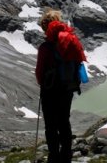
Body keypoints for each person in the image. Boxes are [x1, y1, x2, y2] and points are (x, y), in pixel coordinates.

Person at [35, 9, 85, 163]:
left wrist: (43, 82)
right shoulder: (70, 41)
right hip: (67, 89)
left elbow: (39, 72)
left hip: (50, 90)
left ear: (45, 27)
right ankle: (66, 156)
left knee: (51, 125)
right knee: (64, 121)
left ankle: (54, 157)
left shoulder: (45, 47)